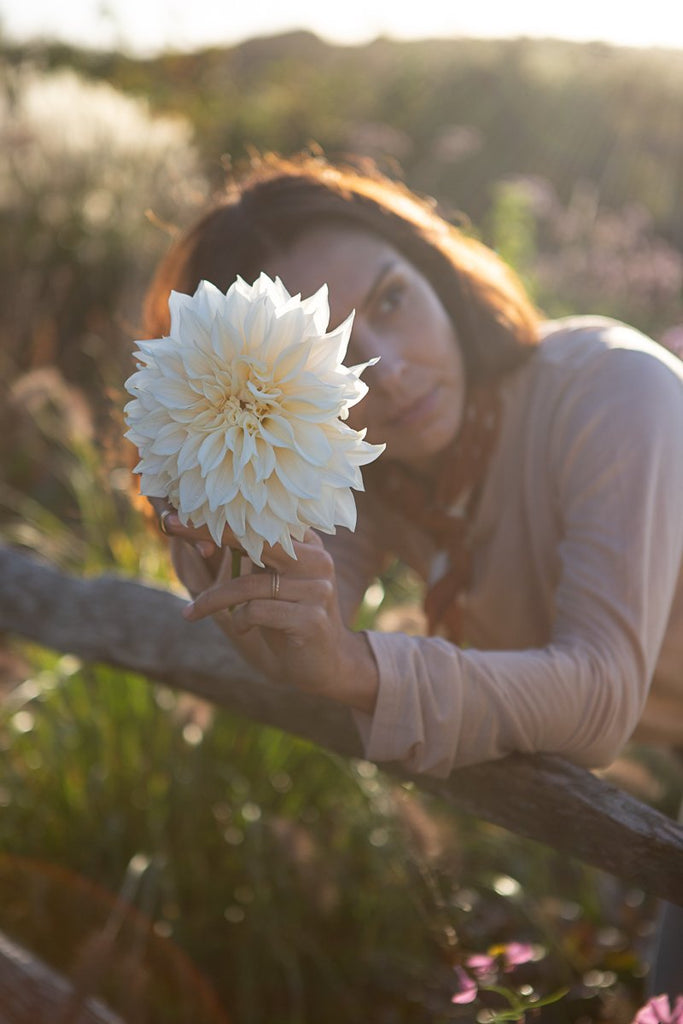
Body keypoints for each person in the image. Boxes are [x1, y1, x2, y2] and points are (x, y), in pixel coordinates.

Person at [140, 152, 683, 991]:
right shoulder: (383, 474)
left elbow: (599, 698)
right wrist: (223, 535)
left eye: (390, 300)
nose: (385, 372)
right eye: (328, 357)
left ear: (436, 269)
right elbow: (300, 622)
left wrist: (352, 667)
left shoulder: (614, 388)